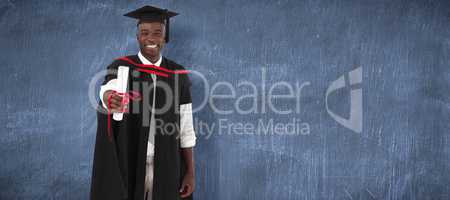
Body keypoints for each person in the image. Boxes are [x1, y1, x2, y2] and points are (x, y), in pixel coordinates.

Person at [90, 5, 196, 200]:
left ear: (165, 37)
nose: (151, 38)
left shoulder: (177, 73)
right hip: (131, 158)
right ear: (137, 36)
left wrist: (190, 171)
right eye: (145, 32)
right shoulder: (122, 66)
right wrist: (109, 98)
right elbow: (108, 88)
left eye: (157, 33)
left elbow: (186, 128)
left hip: (167, 163)